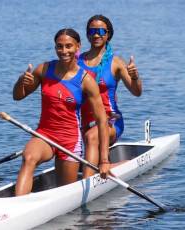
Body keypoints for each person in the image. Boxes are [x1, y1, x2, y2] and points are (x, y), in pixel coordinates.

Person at [12, 28, 110, 196]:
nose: (64, 51)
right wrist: (20, 81)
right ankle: (15, 208)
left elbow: (102, 120)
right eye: (59, 46)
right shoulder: (43, 69)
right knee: (29, 157)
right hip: (45, 135)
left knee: (64, 193)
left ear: (78, 46)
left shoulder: (86, 80)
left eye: (68, 46)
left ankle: (116, 165)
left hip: (70, 141)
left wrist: (104, 160)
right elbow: (17, 96)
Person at [78, 15, 142, 178]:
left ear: (108, 35)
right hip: (83, 121)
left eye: (101, 31)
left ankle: (86, 183)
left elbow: (137, 92)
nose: (96, 35)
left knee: (92, 136)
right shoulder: (76, 61)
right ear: (87, 34)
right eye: (92, 31)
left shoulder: (116, 63)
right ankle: (119, 165)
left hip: (110, 121)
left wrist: (135, 76)